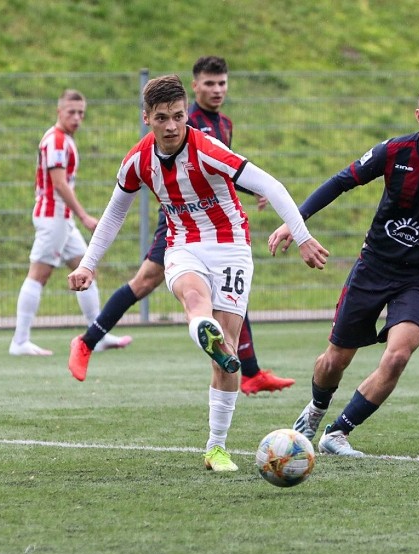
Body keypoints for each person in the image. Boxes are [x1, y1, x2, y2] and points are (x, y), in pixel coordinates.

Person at [67, 74, 328, 472]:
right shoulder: (138, 159)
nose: (171, 126)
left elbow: (270, 185)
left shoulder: (207, 148)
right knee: (194, 298)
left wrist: (303, 235)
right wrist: (88, 263)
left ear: (185, 112)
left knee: (227, 347)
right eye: (161, 118)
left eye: (177, 116)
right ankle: (202, 329)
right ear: (146, 118)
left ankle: (215, 447)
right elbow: (115, 211)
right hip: (183, 245)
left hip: (232, 248)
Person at [269, 78, 419, 457]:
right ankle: (316, 410)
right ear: (418, 115)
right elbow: (340, 182)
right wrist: (294, 222)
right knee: (334, 362)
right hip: (373, 269)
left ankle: (338, 433)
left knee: (397, 356)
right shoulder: (393, 151)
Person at [67, 56, 295, 395]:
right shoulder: (189, 125)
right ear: (196, 87)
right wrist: (89, 263)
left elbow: (223, 167)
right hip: (180, 223)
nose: (217, 90)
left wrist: (252, 189)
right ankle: (87, 341)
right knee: (145, 282)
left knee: (227, 290)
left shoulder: (224, 124)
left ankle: (249, 370)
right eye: (209, 84)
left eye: (222, 83)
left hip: (217, 227)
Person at [10, 89, 132, 356]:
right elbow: (59, 183)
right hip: (53, 217)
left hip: (62, 219)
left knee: (85, 269)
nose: (77, 118)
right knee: (39, 275)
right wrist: (84, 215)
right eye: (71, 112)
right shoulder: (55, 140)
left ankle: (96, 334)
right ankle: (19, 341)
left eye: (81, 113)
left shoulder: (64, 139)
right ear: (59, 112)